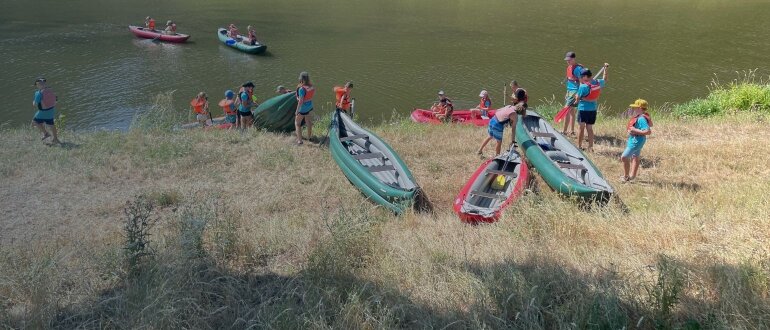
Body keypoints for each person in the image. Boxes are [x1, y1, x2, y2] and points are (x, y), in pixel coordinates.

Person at [477, 86, 527, 156]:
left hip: (492, 120)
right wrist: (513, 141)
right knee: (499, 142)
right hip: (498, 124)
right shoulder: (515, 115)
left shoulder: (510, 106)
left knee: (490, 136)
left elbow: (498, 110)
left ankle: (479, 150)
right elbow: (513, 129)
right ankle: (497, 156)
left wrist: (504, 117)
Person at [574, 64, 608, 151]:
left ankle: (579, 146)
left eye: (581, 76)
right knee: (589, 128)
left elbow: (578, 98)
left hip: (583, 109)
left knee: (581, 128)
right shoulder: (598, 83)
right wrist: (605, 69)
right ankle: (590, 147)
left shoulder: (583, 86)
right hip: (593, 110)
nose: (580, 78)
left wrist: (576, 99)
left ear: (585, 76)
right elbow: (605, 79)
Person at [621, 99, 652, 182]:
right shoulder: (641, 116)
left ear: (640, 108)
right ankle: (632, 176)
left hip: (636, 141)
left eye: (635, 107)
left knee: (624, 157)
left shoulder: (641, 119)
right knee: (635, 156)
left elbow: (648, 131)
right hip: (636, 139)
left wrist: (635, 130)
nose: (634, 109)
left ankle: (626, 176)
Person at [31, 78, 60, 144]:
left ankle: (46, 133)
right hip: (51, 110)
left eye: (37, 84)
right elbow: (56, 99)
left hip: (43, 112)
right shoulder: (50, 90)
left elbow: (35, 104)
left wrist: (33, 101)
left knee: (34, 122)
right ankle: (55, 139)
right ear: (45, 84)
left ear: (38, 85)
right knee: (52, 125)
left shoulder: (38, 93)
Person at [562, 51, 585, 136]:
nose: (568, 61)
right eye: (567, 60)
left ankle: (564, 132)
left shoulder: (578, 69)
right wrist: (567, 92)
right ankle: (571, 131)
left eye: (569, 60)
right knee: (571, 111)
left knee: (566, 110)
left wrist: (578, 94)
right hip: (569, 91)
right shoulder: (569, 67)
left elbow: (582, 83)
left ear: (574, 59)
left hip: (575, 91)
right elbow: (569, 81)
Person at [295, 72, 315, 145]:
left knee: (297, 123)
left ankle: (300, 141)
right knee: (308, 122)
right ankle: (309, 137)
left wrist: (297, 111)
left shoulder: (301, 89)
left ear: (301, 79)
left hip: (303, 108)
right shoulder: (311, 86)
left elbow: (300, 101)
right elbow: (308, 96)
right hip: (310, 106)